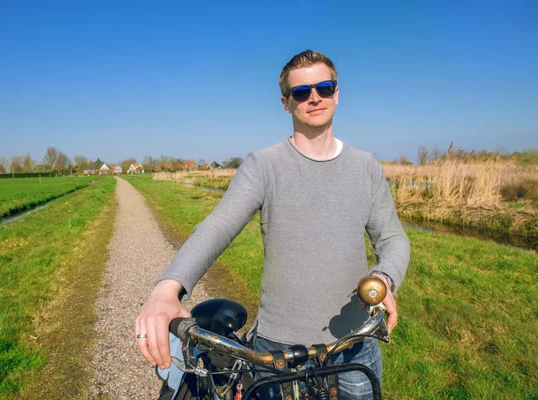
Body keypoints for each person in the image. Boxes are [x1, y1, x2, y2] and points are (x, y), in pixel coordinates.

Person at [136, 50, 410, 399]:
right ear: (286, 103)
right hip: (277, 351)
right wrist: (167, 289)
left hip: (355, 344)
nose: (314, 97)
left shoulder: (366, 166)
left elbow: (393, 238)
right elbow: (219, 225)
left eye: (324, 87)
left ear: (337, 94)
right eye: (301, 92)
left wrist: (385, 278)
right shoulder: (263, 165)